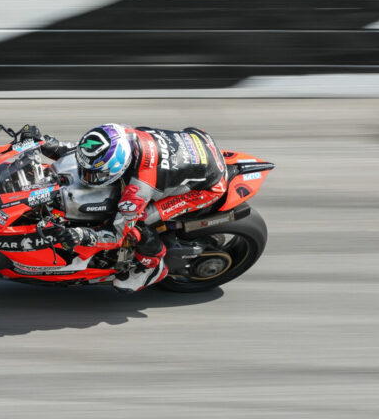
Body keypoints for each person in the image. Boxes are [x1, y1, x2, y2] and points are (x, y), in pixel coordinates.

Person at [22, 123, 229, 293]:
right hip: (197, 141)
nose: (86, 178)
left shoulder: (139, 188)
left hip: (208, 186)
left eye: (94, 175)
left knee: (138, 223)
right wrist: (43, 143)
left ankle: (152, 267)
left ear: (119, 167)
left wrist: (81, 235)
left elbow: (116, 235)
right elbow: (79, 150)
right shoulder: (117, 135)